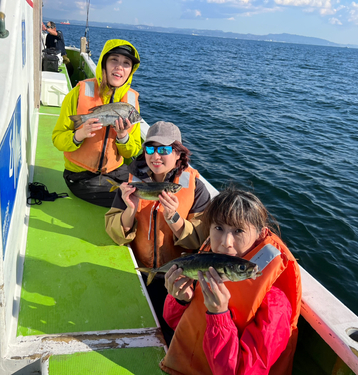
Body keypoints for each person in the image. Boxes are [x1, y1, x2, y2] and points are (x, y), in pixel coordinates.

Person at [160, 187, 302, 375]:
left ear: (260, 234)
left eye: (238, 231)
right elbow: (177, 326)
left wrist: (219, 315)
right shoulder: (208, 264)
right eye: (219, 228)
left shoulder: (275, 303)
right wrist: (181, 301)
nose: (226, 242)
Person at [105, 121, 211, 344]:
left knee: (173, 336)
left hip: (179, 279)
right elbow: (114, 232)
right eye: (150, 149)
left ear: (179, 154)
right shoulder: (132, 183)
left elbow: (201, 239)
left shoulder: (196, 189)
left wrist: (174, 217)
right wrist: (130, 210)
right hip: (139, 273)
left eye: (164, 149)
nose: (156, 156)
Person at [52, 39, 142, 207]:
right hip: (81, 176)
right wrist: (78, 135)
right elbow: (57, 138)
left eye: (126, 63)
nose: (119, 67)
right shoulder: (78, 93)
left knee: (147, 189)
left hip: (115, 171)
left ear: (131, 70)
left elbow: (133, 151)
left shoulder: (131, 102)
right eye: (114, 59)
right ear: (104, 63)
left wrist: (123, 137)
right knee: (131, 199)